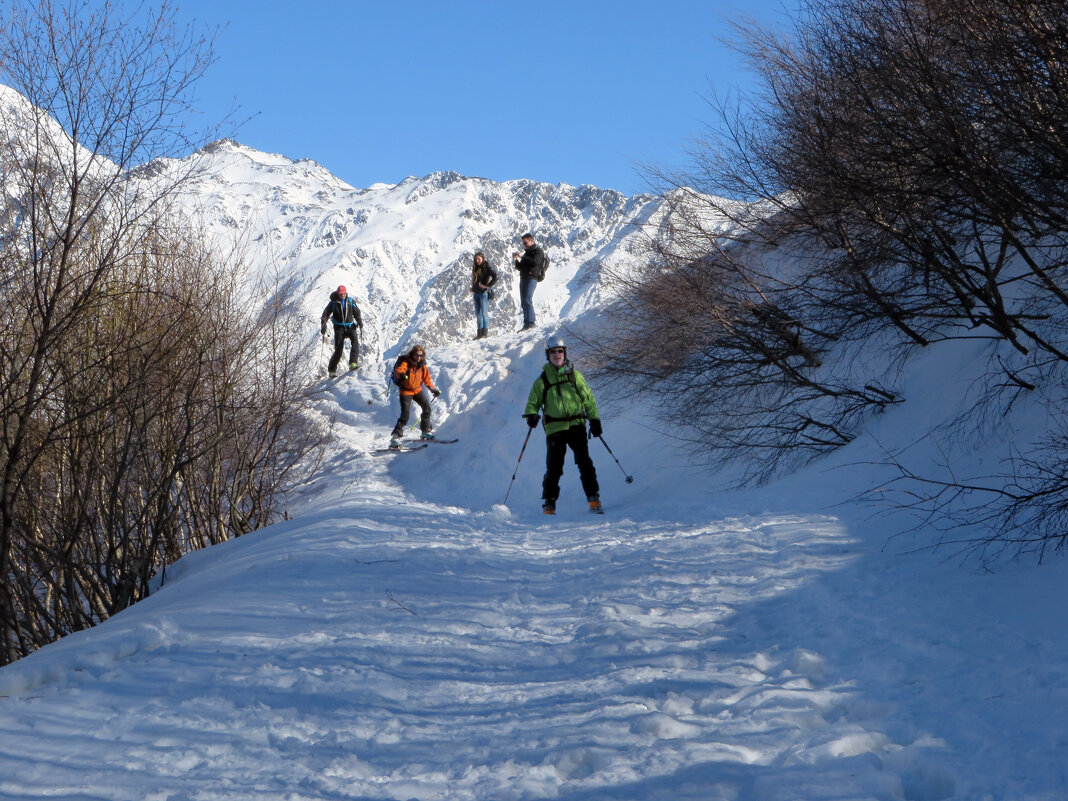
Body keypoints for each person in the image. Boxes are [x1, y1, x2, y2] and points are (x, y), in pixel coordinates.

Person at [523, 334, 602, 514]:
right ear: (548, 355)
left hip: (576, 425)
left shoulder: (575, 376)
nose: (557, 355)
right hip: (555, 428)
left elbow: (588, 399)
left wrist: (594, 420)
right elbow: (532, 402)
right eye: (553, 352)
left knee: (584, 462)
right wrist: (531, 415)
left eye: (560, 351)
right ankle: (549, 503)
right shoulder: (542, 380)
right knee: (554, 466)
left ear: (564, 353)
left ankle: (593, 498)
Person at [390, 345, 441, 448]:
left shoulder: (422, 366)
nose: (418, 357)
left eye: (420, 355)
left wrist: (433, 390)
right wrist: (402, 374)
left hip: (417, 390)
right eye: (416, 355)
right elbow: (399, 370)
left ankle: (425, 431)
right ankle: (395, 438)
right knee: (405, 415)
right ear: (412, 354)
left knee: (426, 408)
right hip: (405, 392)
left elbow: (427, 380)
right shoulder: (406, 363)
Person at [320, 285, 364, 376]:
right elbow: (325, 314)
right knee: (338, 350)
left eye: (343, 294)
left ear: (345, 293)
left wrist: (359, 322)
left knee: (355, 342)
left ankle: (353, 363)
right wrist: (323, 325)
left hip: (350, 326)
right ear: (338, 293)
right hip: (339, 328)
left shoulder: (350, 301)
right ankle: (331, 370)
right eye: (340, 294)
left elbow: (357, 312)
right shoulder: (333, 303)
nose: (342, 296)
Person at [512, 233, 546, 332]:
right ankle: (526, 324)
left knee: (527, 300)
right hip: (524, 278)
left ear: (532, 241)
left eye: (526, 243)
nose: (524, 245)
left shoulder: (538, 251)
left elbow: (535, 262)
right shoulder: (527, 253)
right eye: (523, 243)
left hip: (532, 278)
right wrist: (516, 261)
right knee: (523, 302)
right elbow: (520, 267)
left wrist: (522, 257)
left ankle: (531, 323)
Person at [470, 251, 498, 340]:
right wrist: (473, 288)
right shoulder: (475, 269)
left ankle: (484, 333)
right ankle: (479, 333)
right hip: (476, 293)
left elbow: (495, 276)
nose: (477, 261)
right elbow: (476, 281)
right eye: (476, 259)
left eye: (479, 259)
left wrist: (487, 286)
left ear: (482, 259)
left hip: (483, 293)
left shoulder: (486, 267)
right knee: (478, 314)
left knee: (484, 313)